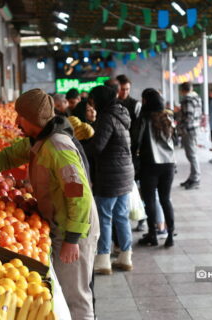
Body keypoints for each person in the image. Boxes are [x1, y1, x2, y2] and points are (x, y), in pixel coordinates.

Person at [0, 89, 99, 320]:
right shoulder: (40, 140)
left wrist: (73, 239)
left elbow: (78, 193)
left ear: (33, 119)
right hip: (61, 224)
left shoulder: (58, 146)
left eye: (20, 116)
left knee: (76, 297)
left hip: (75, 228)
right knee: (65, 291)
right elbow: (12, 155)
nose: (16, 121)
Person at [85, 86, 134, 275]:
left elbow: (98, 146)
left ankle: (104, 260)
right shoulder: (121, 113)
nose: (93, 105)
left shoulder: (107, 117)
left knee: (104, 217)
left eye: (94, 101)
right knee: (121, 216)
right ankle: (125, 257)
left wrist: (79, 150)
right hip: (124, 172)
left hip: (110, 174)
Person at [133, 89, 175, 247]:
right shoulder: (168, 116)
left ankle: (153, 234)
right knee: (165, 199)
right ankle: (170, 234)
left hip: (150, 164)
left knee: (150, 200)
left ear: (145, 101)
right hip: (169, 164)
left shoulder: (144, 118)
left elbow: (136, 140)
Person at [116, 74, 145, 232]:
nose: (124, 92)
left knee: (136, 186)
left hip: (132, 151)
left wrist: (135, 148)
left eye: (127, 89)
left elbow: (138, 129)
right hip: (120, 151)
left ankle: (141, 217)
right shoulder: (112, 104)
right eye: (122, 89)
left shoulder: (134, 105)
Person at [177, 82, 202, 190]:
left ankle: (196, 178)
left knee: (191, 155)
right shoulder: (197, 98)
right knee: (192, 154)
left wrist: (181, 128)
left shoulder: (187, 99)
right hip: (195, 128)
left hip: (189, 129)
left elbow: (188, 115)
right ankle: (192, 177)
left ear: (182, 90)